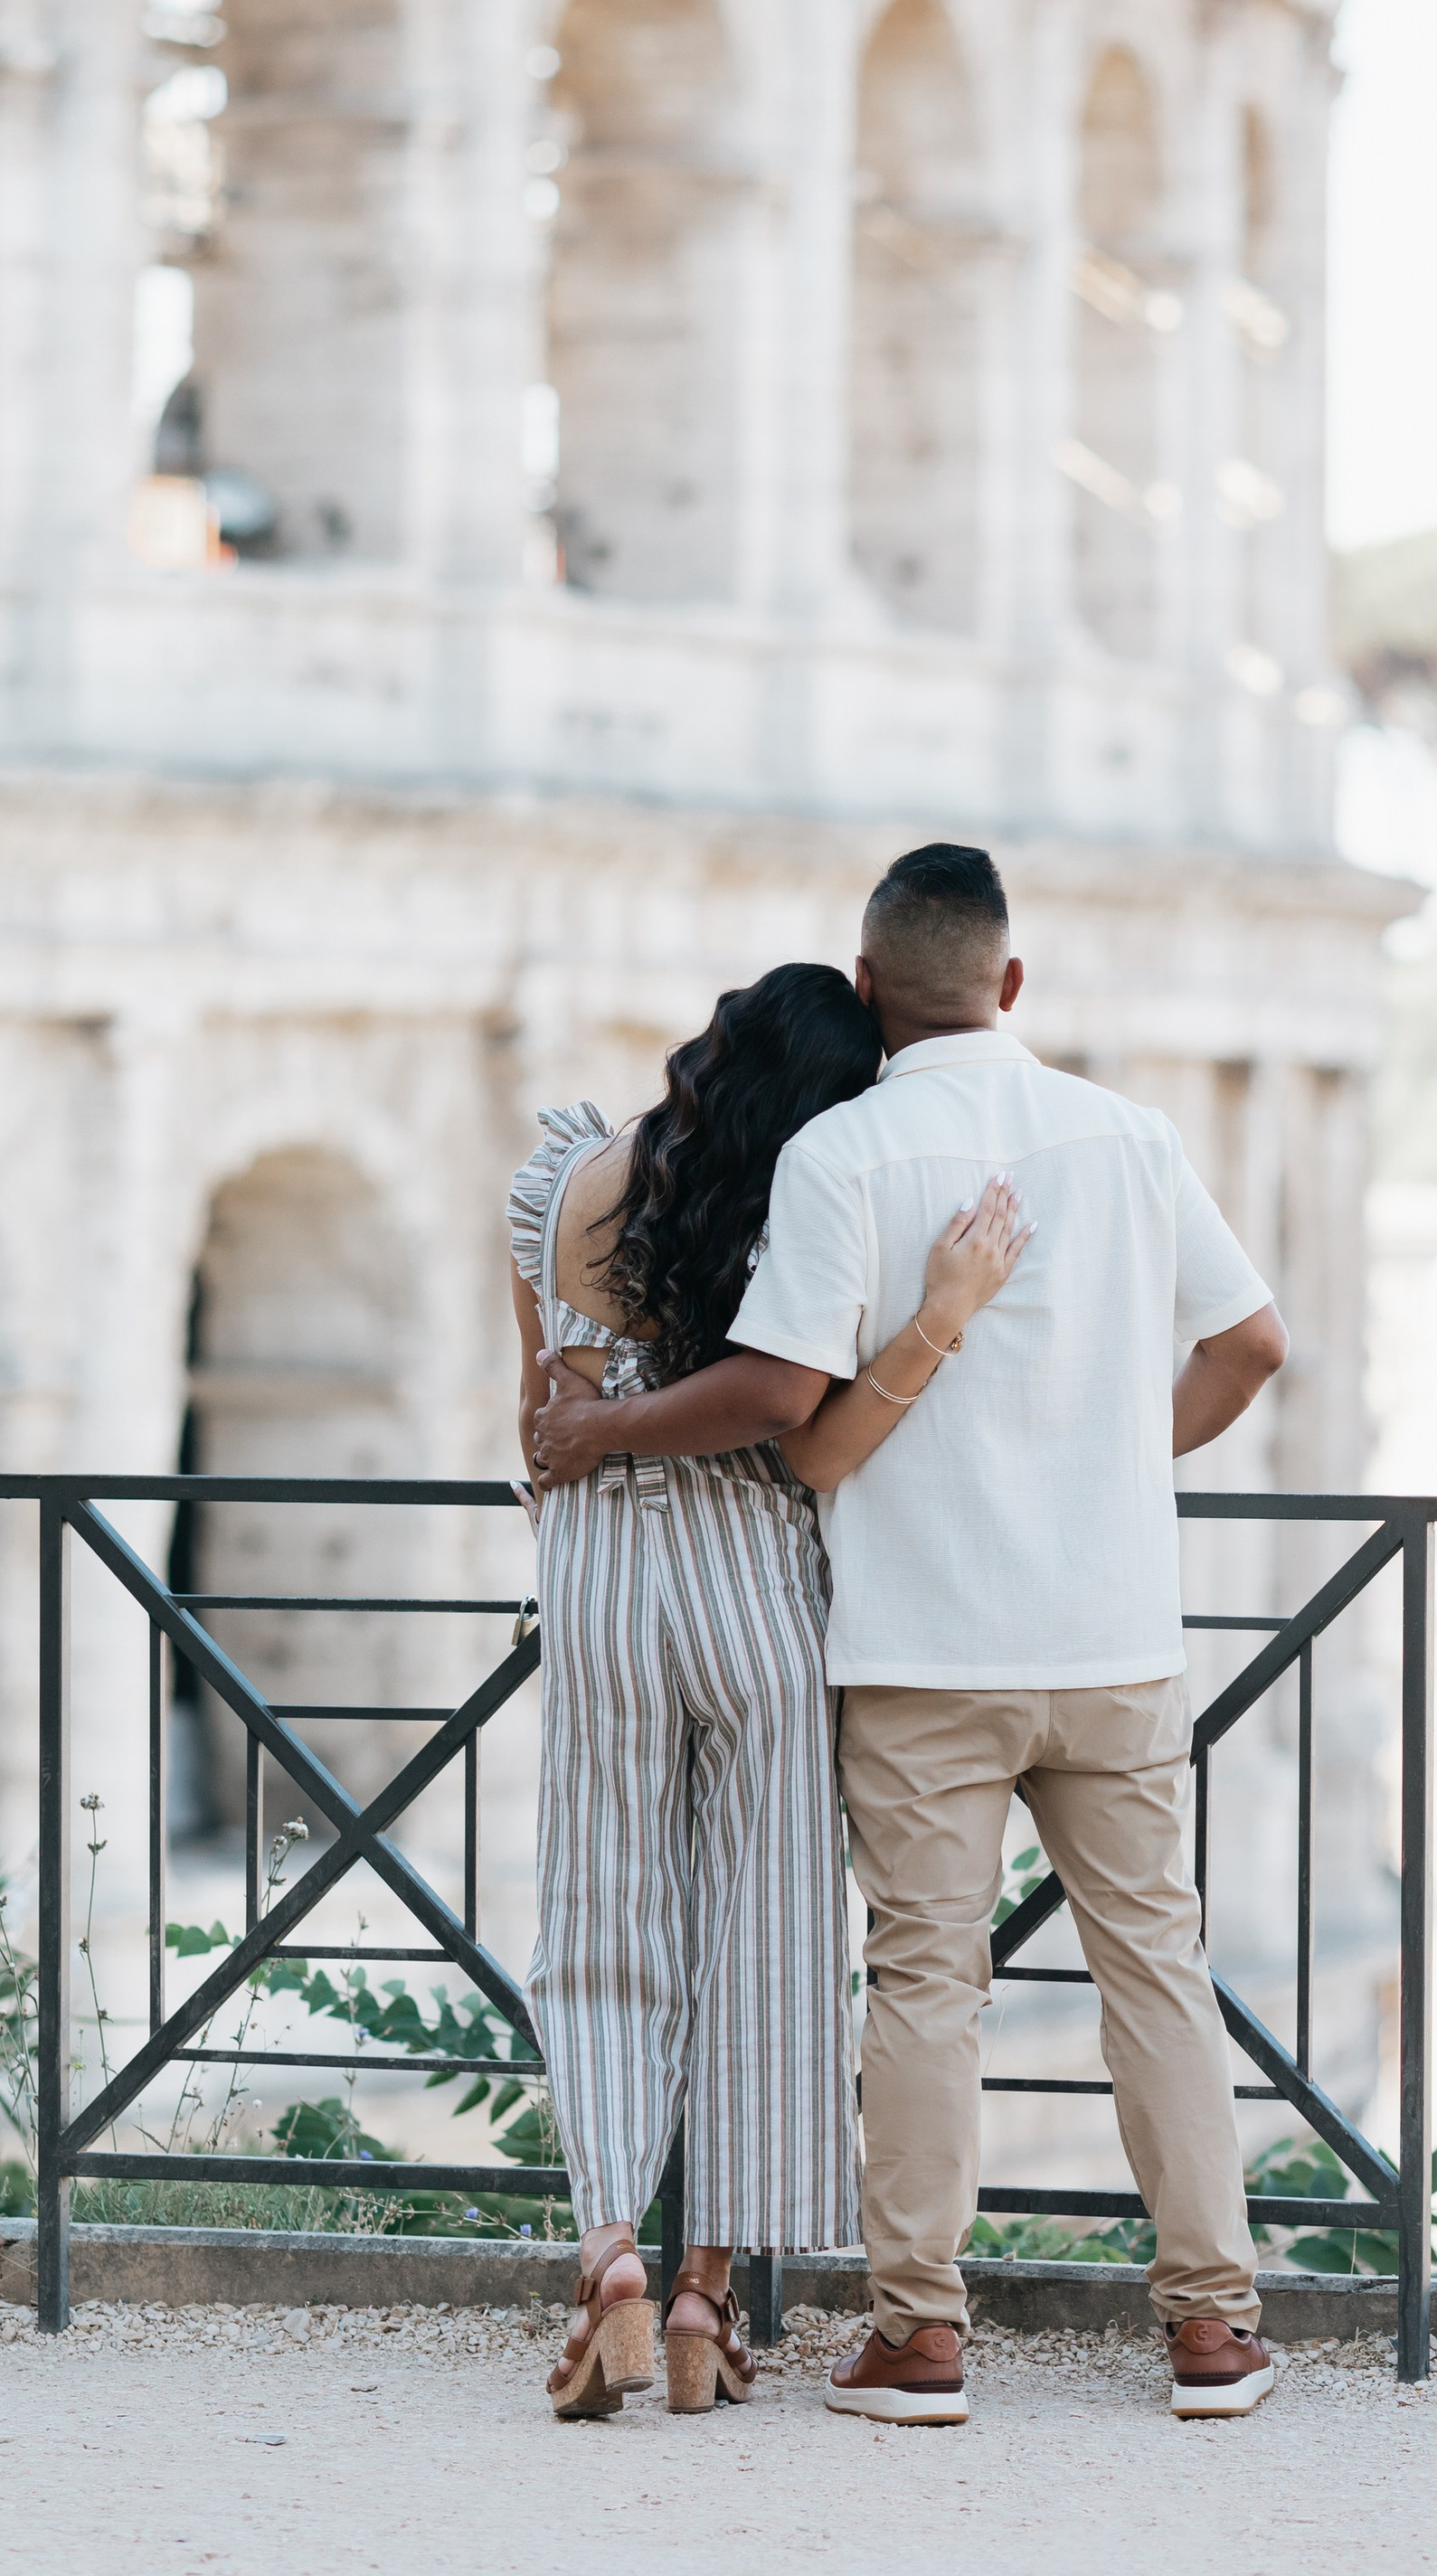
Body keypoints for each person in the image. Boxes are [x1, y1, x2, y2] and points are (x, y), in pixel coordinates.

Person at [531, 845, 1287, 2425]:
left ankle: (919, 2340)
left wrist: (599, 1435)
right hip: (1116, 1637)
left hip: (924, 1644)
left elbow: (796, 1433)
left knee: (924, 1985)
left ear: (870, 991)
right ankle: (1214, 2333)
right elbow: (1252, 1343)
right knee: (1158, 1970)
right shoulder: (1132, 1137)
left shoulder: (846, 1155)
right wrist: (1111, 1460)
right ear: (1013, 983)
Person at [511, 958, 1031, 2417]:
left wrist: (581, 1461)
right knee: (772, 1939)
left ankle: (612, 2245)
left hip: (601, 1574)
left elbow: (536, 1420)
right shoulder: (804, 1205)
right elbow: (792, 1401)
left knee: (600, 1911)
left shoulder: (556, 1184)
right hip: (756, 1577)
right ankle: (704, 2296)